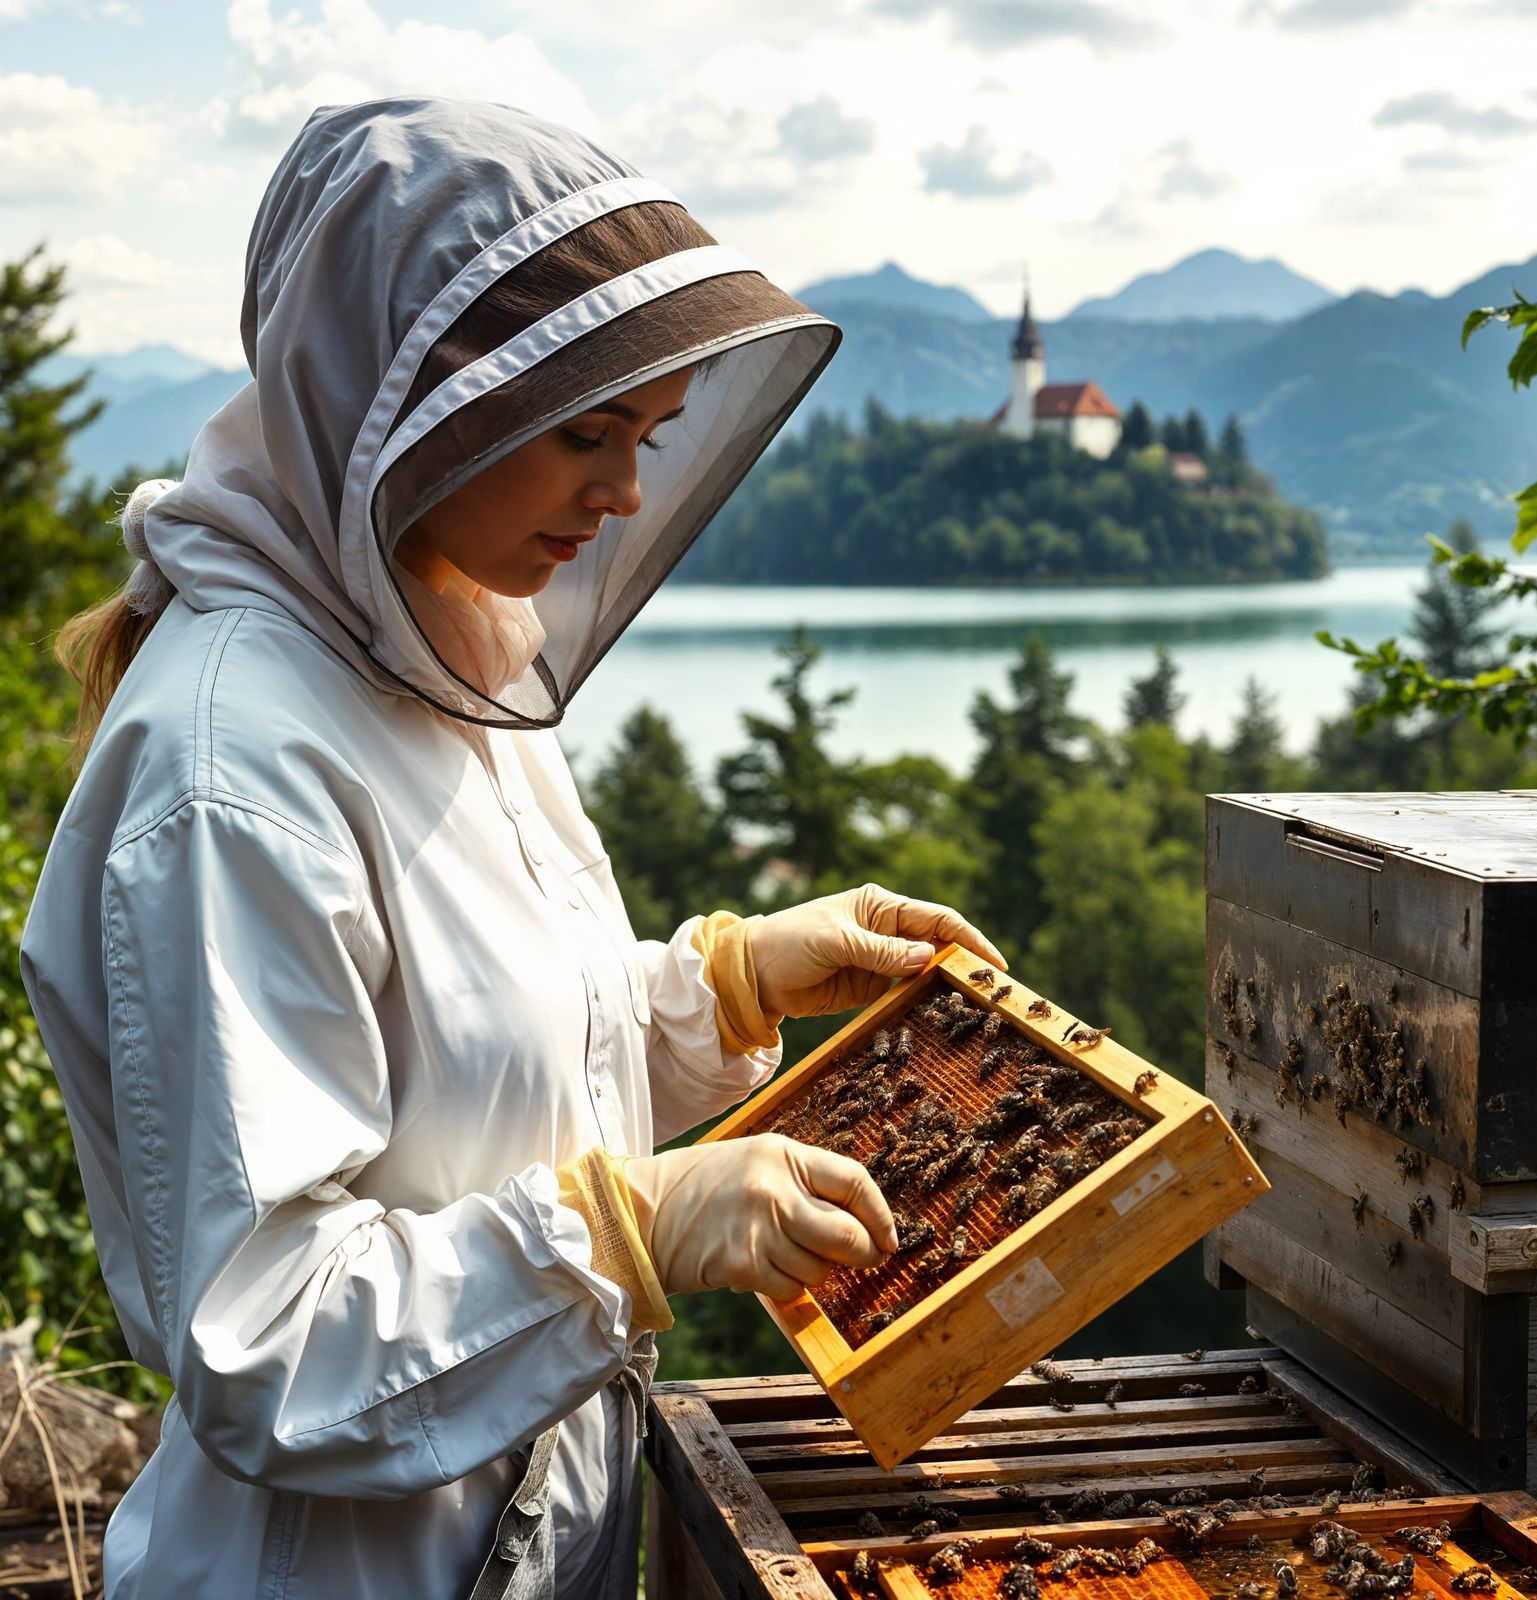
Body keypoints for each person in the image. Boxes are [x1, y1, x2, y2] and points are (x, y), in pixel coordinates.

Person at [19, 98, 1004, 1599]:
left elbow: (479, 1068)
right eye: (586, 436)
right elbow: (263, 1338)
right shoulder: (232, 773)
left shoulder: (439, 637)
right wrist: (630, 1230)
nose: (620, 496)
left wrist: (725, 987)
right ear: (403, 401)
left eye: (650, 437)